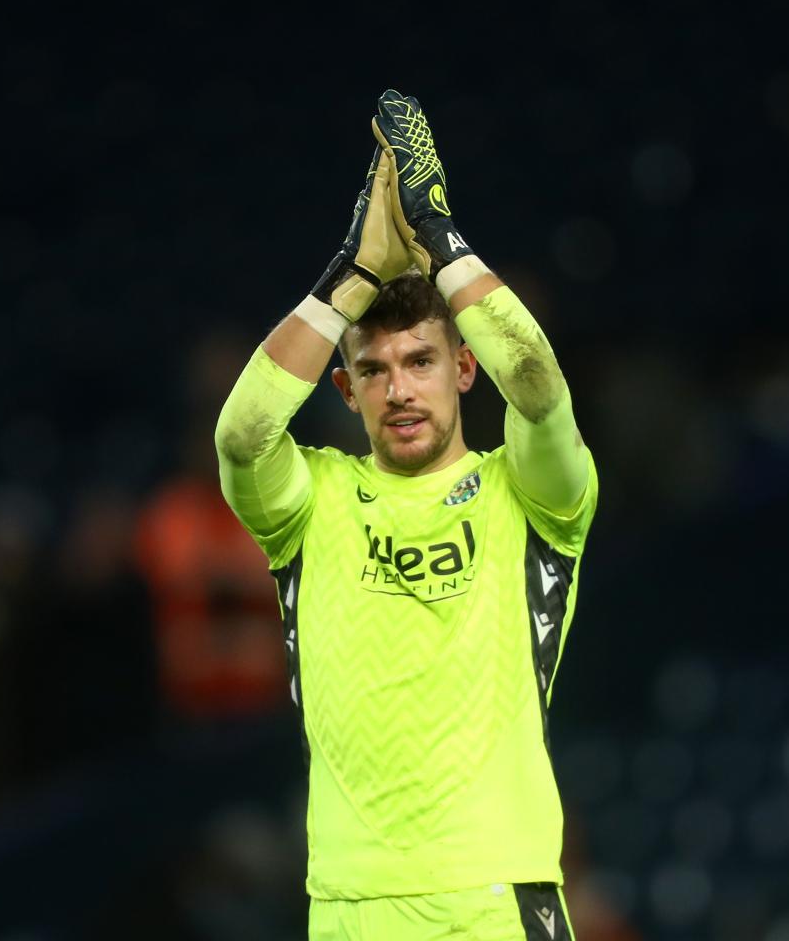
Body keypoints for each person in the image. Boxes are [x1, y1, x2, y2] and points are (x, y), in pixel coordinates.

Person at [215, 89, 599, 940]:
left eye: (422, 361)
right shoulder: (311, 501)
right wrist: (350, 277)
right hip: (348, 906)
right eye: (377, 370)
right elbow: (242, 438)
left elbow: (537, 389)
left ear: (464, 370)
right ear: (345, 390)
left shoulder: (528, 491)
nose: (401, 389)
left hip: (495, 895)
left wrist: (438, 234)